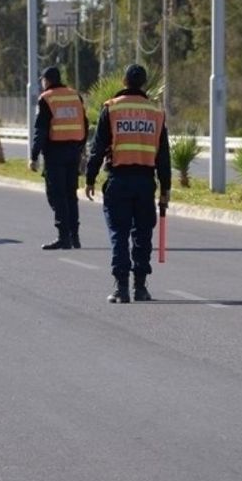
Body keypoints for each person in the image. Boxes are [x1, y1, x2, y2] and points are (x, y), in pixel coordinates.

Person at [84, 64, 171, 303]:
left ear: (124, 81)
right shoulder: (156, 112)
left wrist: (90, 178)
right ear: (144, 83)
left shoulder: (112, 109)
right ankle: (140, 288)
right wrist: (165, 188)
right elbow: (163, 155)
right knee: (142, 235)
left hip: (119, 180)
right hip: (145, 182)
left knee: (119, 234)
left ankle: (121, 288)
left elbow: (98, 148)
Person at [30, 66, 89, 250]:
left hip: (55, 153)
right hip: (74, 151)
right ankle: (74, 236)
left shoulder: (47, 98)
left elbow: (41, 130)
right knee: (71, 194)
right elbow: (84, 124)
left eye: (42, 80)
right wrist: (81, 148)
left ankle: (64, 237)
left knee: (57, 195)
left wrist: (33, 156)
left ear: (47, 81)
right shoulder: (75, 96)